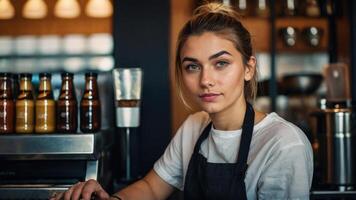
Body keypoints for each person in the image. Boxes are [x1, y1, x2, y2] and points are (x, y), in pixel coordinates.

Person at [51, 3, 313, 200]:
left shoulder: (283, 144)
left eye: (220, 63)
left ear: (248, 68)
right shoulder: (195, 126)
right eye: (192, 67)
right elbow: (152, 188)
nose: (205, 80)